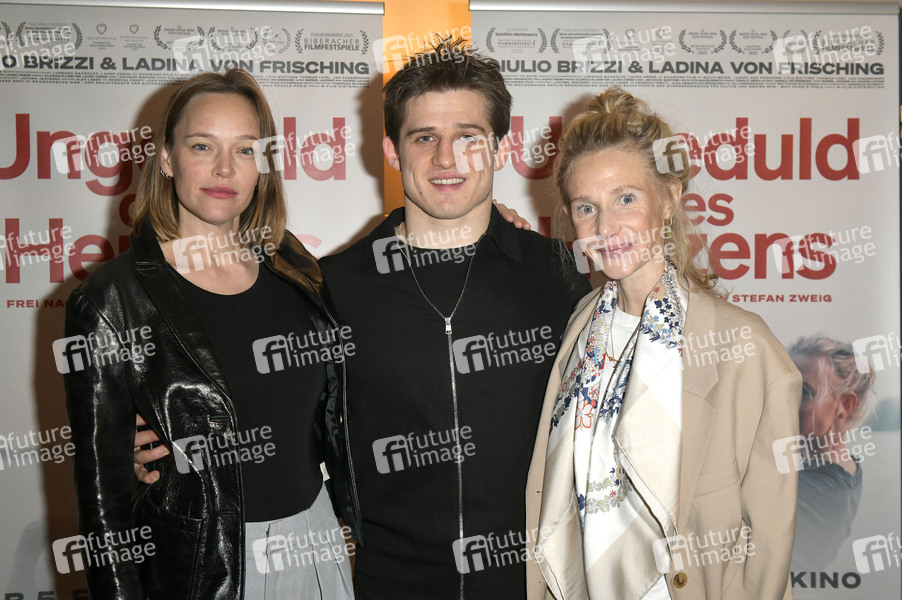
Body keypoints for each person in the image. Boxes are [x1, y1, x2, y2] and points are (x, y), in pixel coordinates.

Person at [134, 38, 589, 599]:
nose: (446, 160)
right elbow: (270, 410)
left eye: (468, 138)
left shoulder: (563, 277)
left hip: (539, 585)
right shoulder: (330, 287)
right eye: (424, 137)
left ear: (501, 149)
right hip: (385, 587)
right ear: (392, 151)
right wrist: (157, 434)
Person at [61, 69, 354, 599]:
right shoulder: (113, 299)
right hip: (205, 565)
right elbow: (103, 510)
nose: (225, 168)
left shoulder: (294, 265)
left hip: (315, 542)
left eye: (245, 149)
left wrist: (493, 220)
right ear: (166, 158)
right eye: (202, 146)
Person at [524, 87, 802, 600]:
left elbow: (768, 550)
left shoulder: (744, 348)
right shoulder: (581, 330)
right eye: (586, 207)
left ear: (669, 198)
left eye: (626, 198)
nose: (606, 227)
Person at [788, 335, 875, 571]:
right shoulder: (845, 469)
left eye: (803, 391)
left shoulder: (812, 492)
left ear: (845, 405)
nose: (783, 402)